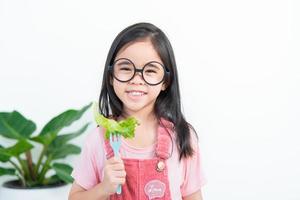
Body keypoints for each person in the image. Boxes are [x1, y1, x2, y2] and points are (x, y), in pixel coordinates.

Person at [68, 22, 206, 200]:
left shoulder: (181, 137)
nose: (136, 79)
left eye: (150, 70)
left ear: (165, 81)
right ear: (111, 76)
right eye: (126, 68)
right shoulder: (98, 139)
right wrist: (103, 188)